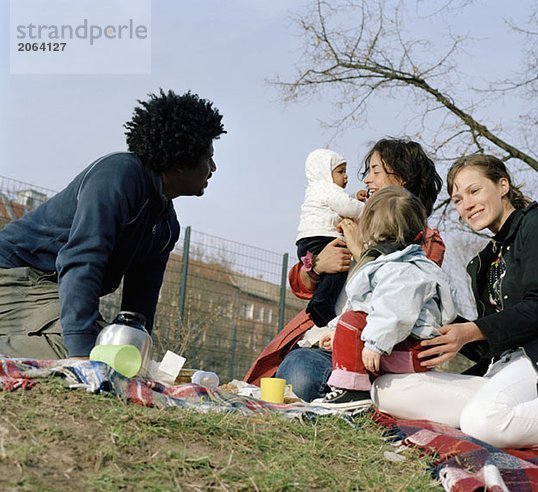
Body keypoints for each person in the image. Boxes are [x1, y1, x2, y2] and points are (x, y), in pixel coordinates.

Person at [372, 154, 538, 450]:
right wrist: (434, 322)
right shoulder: (485, 261)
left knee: (482, 422)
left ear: (502, 185)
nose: (466, 204)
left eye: (474, 191)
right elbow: (489, 341)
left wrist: (470, 331)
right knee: (387, 389)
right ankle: (509, 414)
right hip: (502, 369)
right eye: (457, 199)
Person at [0, 89, 226, 360]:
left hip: (52, 289)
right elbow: (82, 261)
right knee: (92, 349)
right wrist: (83, 358)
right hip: (17, 276)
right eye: (207, 157)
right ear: (181, 160)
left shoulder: (166, 227)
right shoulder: (119, 176)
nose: (213, 167)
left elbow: (139, 305)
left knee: (115, 352)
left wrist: (137, 354)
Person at [244, 138, 445, 402]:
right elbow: (299, 282)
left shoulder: (425, 241)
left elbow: (400, 298)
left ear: (404, 178)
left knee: (301, 375)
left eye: (376, 171)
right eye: (368, 172)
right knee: (294, 370)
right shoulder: (352, 219)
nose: (367, 181)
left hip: (374, 349)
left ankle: (348, 399)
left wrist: (361, 253)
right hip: (326, 334)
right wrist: (316, 265)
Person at [311, 187, 456, 409]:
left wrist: (376, 344)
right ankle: (352, 387)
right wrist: (336, 331)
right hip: (401, 343)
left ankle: (351, 391)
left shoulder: (402, 270)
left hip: (413, 347)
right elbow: (365, 305)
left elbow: (395, 311)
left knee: (353, 321)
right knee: (350, 322)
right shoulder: (393, 266)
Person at [296, 148, 366, 328]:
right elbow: (346, 207)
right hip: (322, 239)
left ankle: (320, 307)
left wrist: (354, 198)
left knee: (332, 275)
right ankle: (322, 302)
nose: (346, 177)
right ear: (325, 172)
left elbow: (339, 203)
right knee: (339, 267)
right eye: (341, 172)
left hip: (306, 244)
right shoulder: (326, 188)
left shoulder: (317, 190)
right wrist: (366, 208)